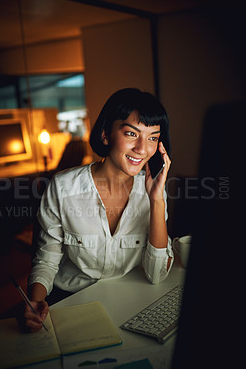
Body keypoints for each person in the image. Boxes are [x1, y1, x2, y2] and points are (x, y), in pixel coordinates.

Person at [23, 88, 174, 332]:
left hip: (127, 302)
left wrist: (156, 201)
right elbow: (46, 260)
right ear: (105, 134)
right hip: (71, 302)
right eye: (131, 134)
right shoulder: (63, 187)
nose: (142, 148)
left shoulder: (154, 190)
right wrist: (36, 301)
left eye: (153, 138)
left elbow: (157, 275)